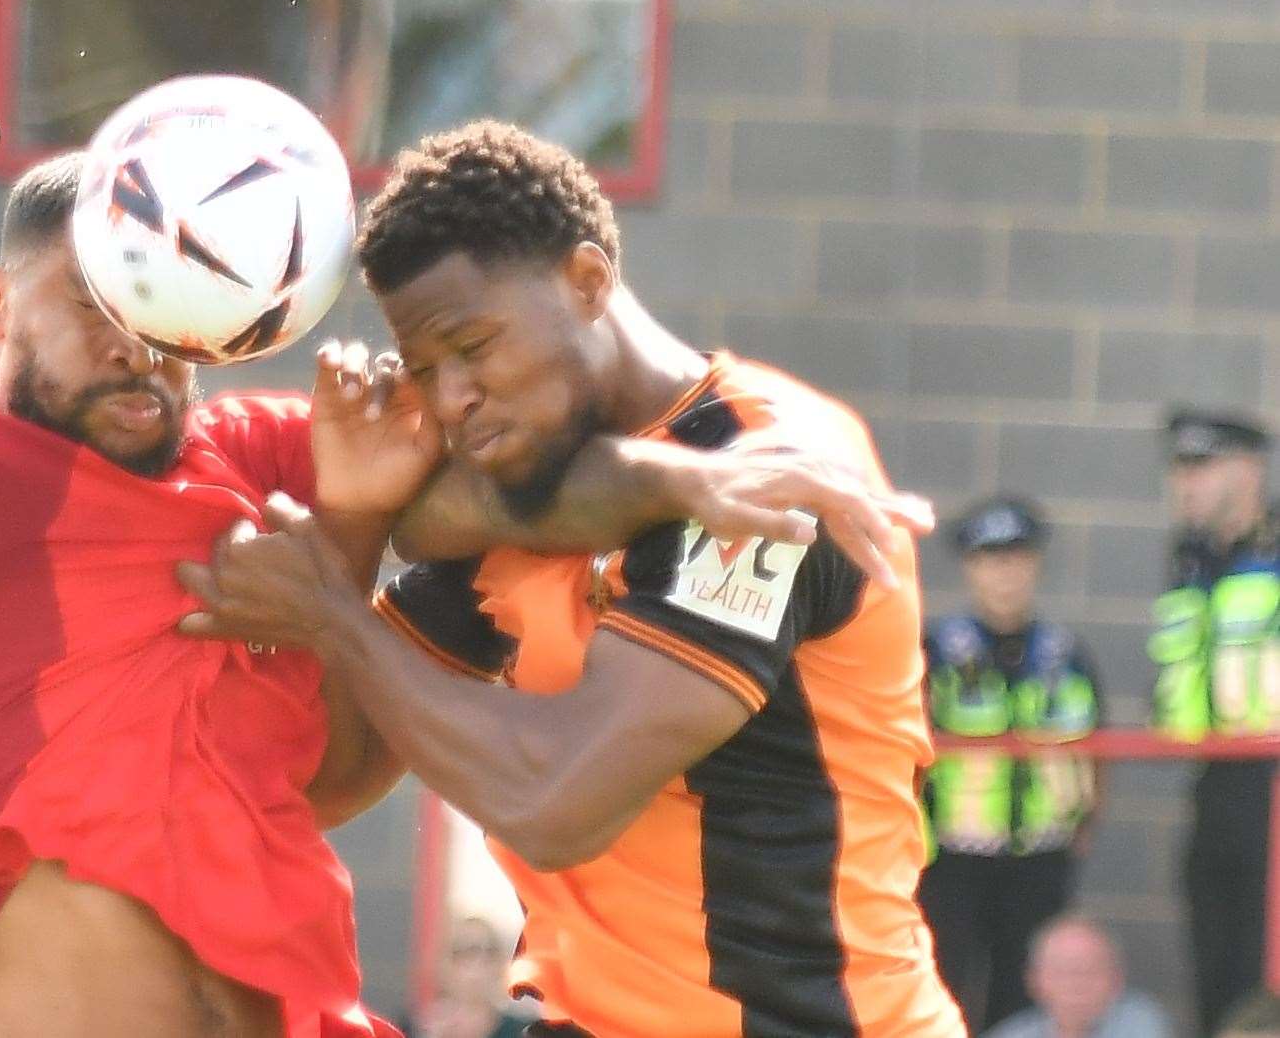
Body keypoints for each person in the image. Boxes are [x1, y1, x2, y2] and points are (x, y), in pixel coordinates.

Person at [0, 0, 929, 1038]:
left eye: (167, 306)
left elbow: (474, 515)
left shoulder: (251, 455)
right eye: (94, 301)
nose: (135, 343)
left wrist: (674, 481)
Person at [175, 121, 961, 1036]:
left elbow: (551, 803)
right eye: (425, 368)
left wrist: (332, 614)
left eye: (472, 345)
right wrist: (350, 525)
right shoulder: (525, 482)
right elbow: (334, 778)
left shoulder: (768, 478)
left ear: (588, 282)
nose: (452, 396)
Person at [919, 497, 1104, 1031]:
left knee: (1022, 1003)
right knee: (943, 991)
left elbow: (1095, 747)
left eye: (1017, 558)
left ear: (1036, 565)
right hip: (952, 858)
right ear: (970, 568)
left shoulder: (1065, 653)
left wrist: (1083, 826)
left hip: (1040, 860)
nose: (1005, 574)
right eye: (990, 559)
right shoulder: (936, 651)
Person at [1147, 409, 1280, 1036]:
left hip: (1275, 784)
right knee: (1215, 969)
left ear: (1249, 468)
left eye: (1201, 466)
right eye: (1178, 468)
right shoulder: (1193, 556)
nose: (1185, 483)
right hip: (1216, 783)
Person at [980, 916, 1170, 1038]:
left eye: (1091, 970)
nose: (1076, 984)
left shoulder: (1142, 1022)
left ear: (1117, 979)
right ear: (1034, 980)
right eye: (1062, 971)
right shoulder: (1010, 1034)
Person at [413, 917, 530, 1038]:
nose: (477, 965)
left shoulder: (520, 1030)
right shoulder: (420, 1027)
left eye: (489, 953)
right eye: (465, 953)